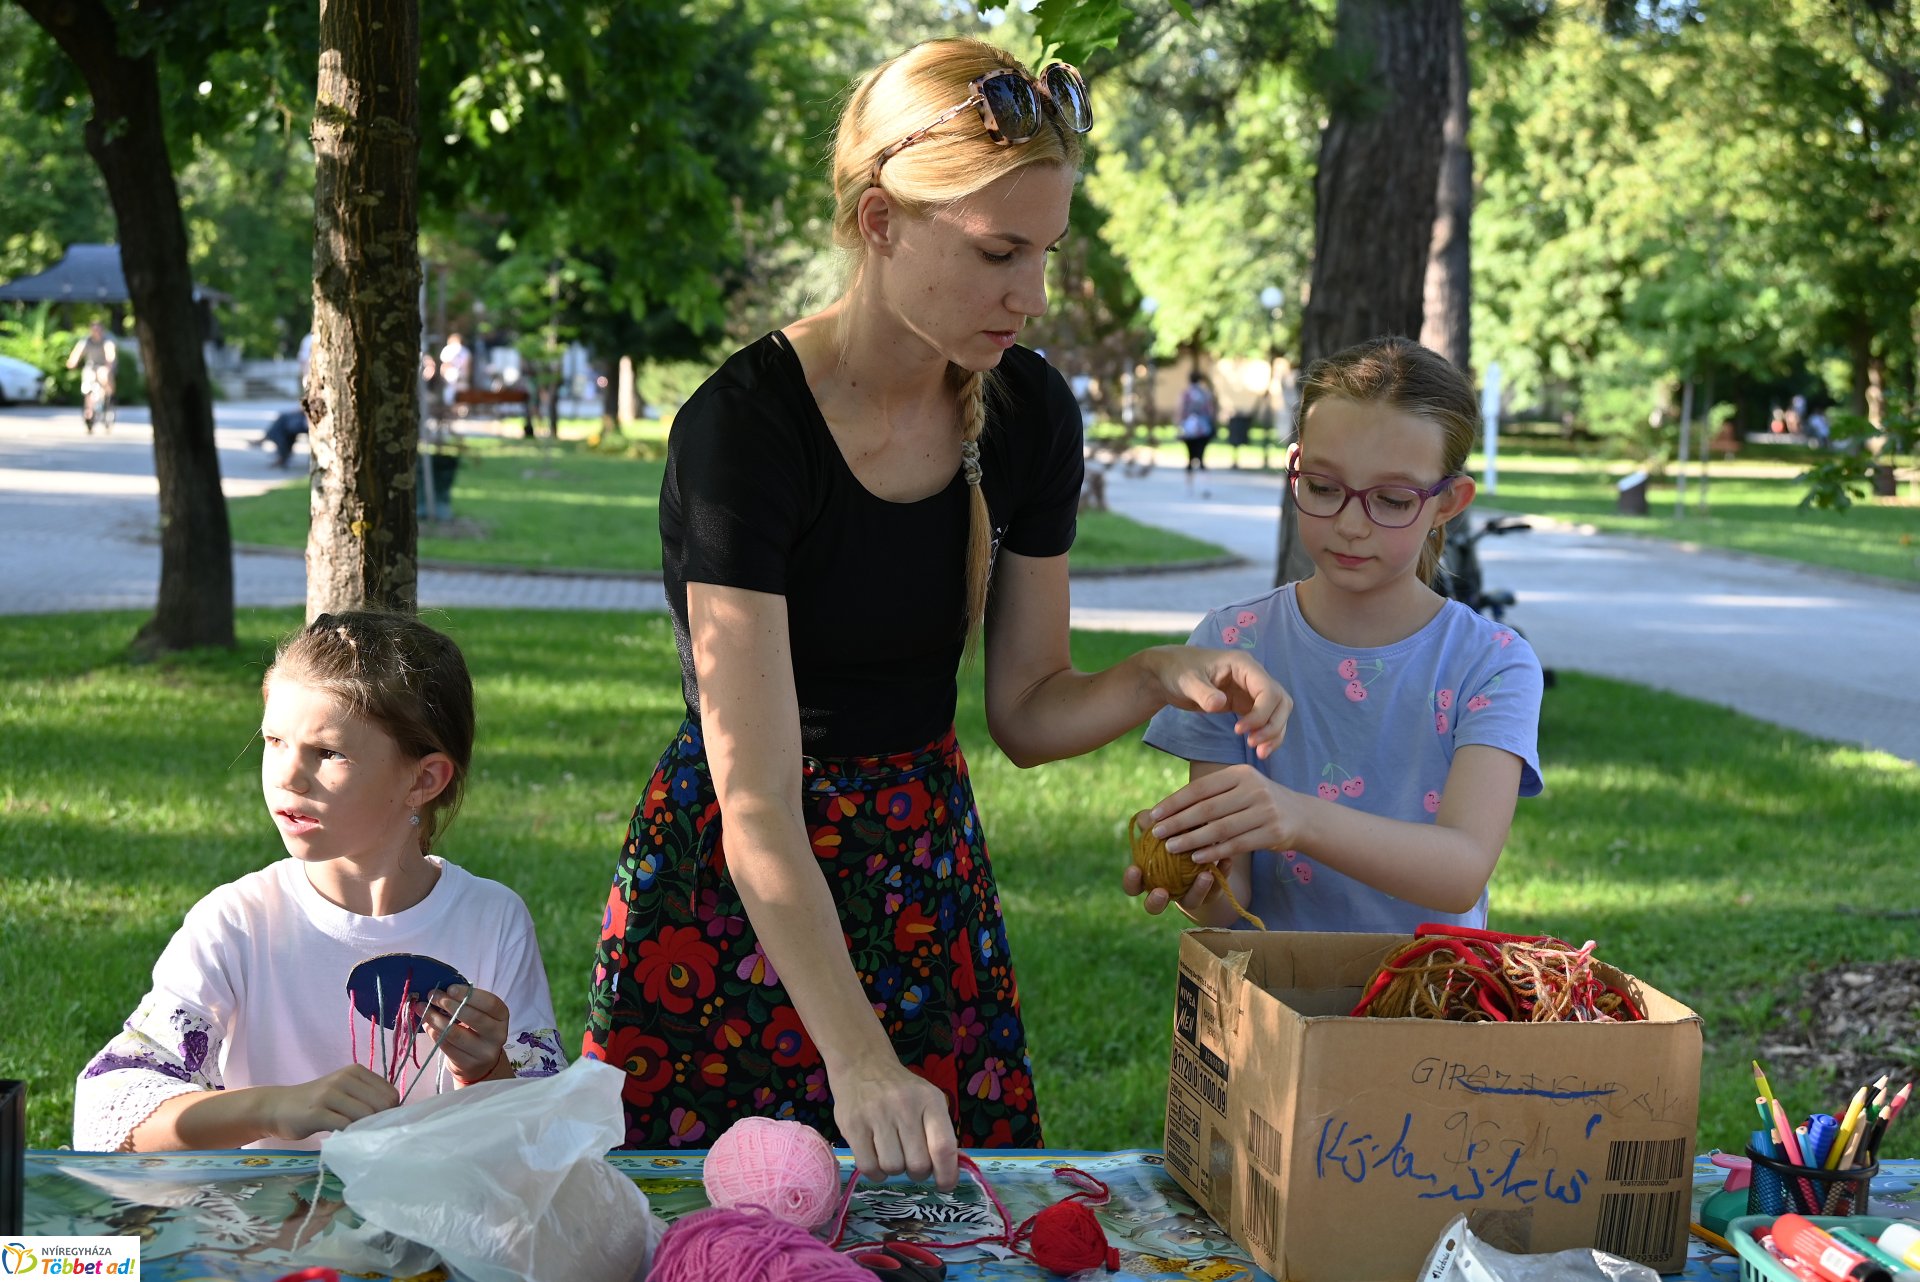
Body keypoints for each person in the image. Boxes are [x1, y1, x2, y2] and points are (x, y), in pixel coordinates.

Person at [582, 36, 1289, 1188]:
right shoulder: (744, 430)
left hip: (921, 872)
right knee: (708, 1224)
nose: (1032, 296)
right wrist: (859, 1060)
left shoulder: (1028, 414)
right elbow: (755, 795)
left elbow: (1026, 710)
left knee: (946, 1237)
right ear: (879, 221)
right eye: (999, 252)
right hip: (740, 894)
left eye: (1047, 255)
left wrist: (1162, 670)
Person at [72, 611, 566, 1153]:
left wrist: (487, 1071)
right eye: (274, 741)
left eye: (327, 753)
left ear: (424, 779)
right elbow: (107, 1112)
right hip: (264, 1233)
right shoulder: (238, 923)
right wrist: (276, 1107)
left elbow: (549, 1140)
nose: (287, 775)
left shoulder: (492, 921)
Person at [1124, 336, 1544, 937]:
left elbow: (1461, 870)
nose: (1349, 524)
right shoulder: (1231, 643)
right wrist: (1192, 880)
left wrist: (1297, 818)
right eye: (1322, 487)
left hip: (1426, 1004)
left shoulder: (1492, 664)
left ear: (1449, 502)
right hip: (1271, 1006)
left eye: (1392, 500)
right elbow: (1230, 898)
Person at [65, 320, 117, 434]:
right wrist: (72, 362)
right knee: (87, 385)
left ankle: (108, 401)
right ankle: (89, 410)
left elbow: (110, 354)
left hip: (103, 366)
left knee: (104, 376)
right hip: (91, 367)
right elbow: (77, 353)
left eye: (98, 330)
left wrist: (109, 364)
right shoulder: (86, 341)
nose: (96, 332)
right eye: (94, 330)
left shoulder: (107, 341)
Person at [1178, 370, 1217, 492]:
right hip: (1203, 430)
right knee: (1201, 458)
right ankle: (1205, 487)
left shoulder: (1186, 394)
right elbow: (1211, 412)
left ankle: (1189, 488)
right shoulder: (1206, 394)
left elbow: (1181, 411)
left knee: (1190, 458)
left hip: (1189, 430)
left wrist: (1180, 426)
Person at [438, 332, 472, 408]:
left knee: (451, 395)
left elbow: (445, 364)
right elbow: (468, 365)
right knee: (462, 394)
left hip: (450, 376)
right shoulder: (465, 351)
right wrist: (468, 376)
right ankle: (461, 409)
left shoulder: (447, 349)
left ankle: (453, 410)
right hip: (463, 376)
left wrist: (442, 375)